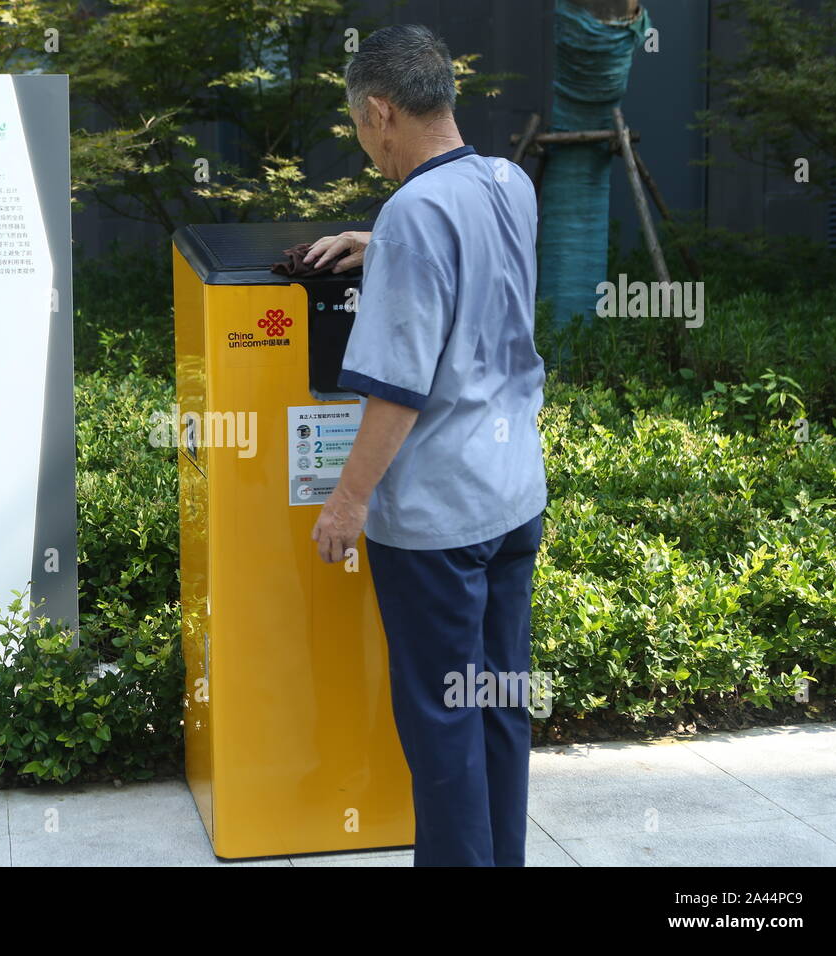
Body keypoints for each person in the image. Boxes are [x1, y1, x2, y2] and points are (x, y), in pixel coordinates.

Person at [308, 23, 548, 867]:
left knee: (443, 721)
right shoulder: (508, 181)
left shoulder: (412, 211)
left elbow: (398, 390)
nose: (367, 147)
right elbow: (478, 262)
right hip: (515, 498)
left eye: (360, 129)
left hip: (441, 523)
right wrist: (389, 249)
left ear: (380, 113)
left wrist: (347, 501)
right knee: (496, 702)